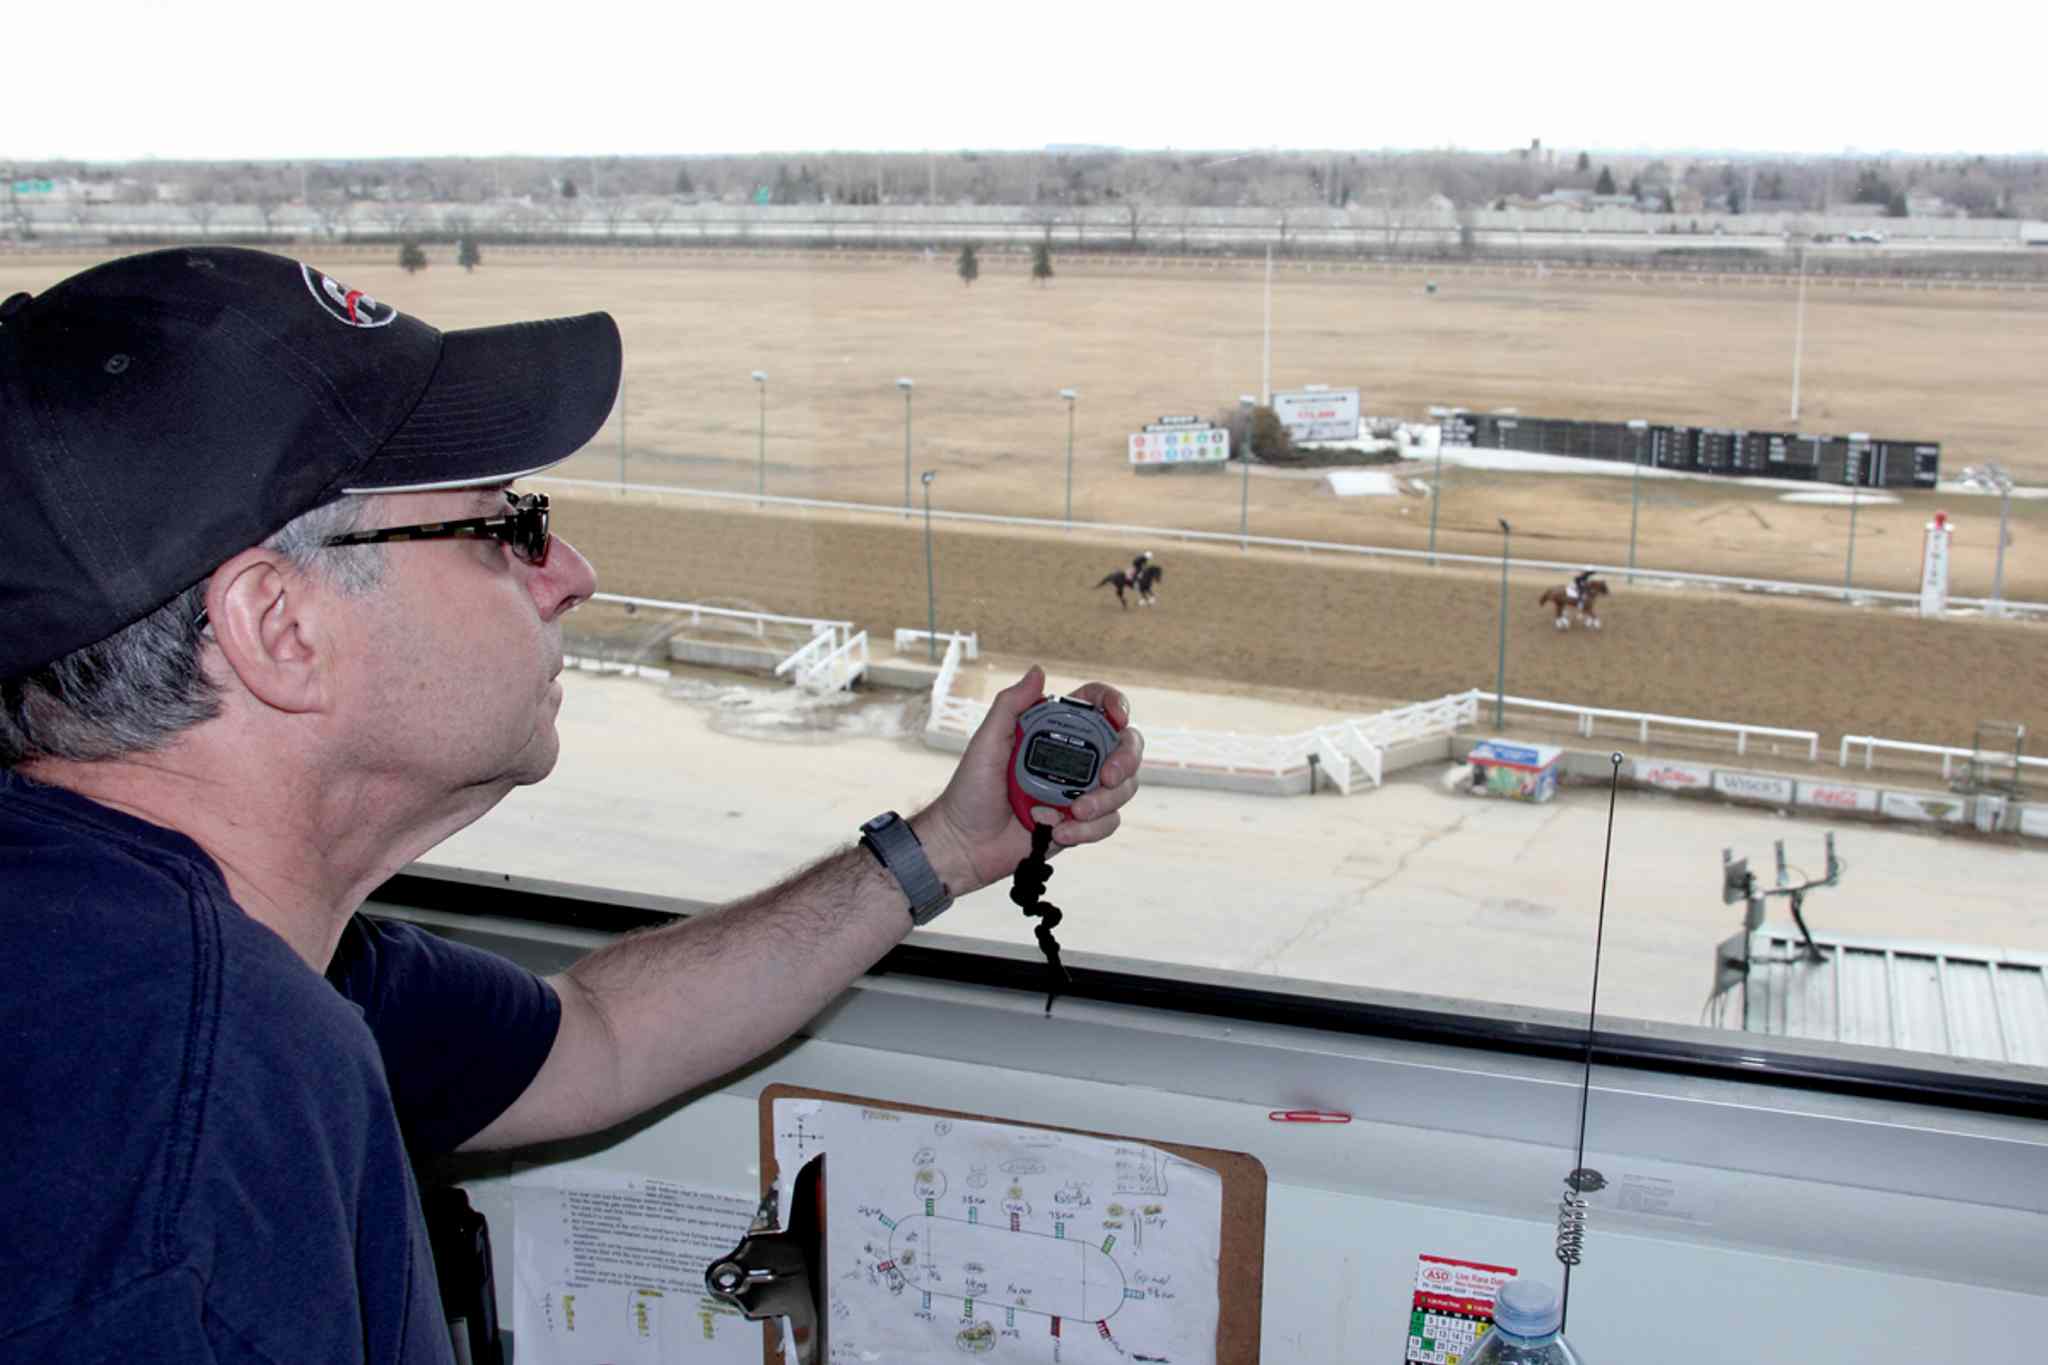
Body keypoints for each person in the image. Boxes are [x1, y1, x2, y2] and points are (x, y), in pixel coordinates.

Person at [0, 247, 1143, 1363]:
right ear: (279, 630)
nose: (571, 573)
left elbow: (594, 1039)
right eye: (506, 526)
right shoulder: (186, 1127)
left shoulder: (232, 954)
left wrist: (944, 845)